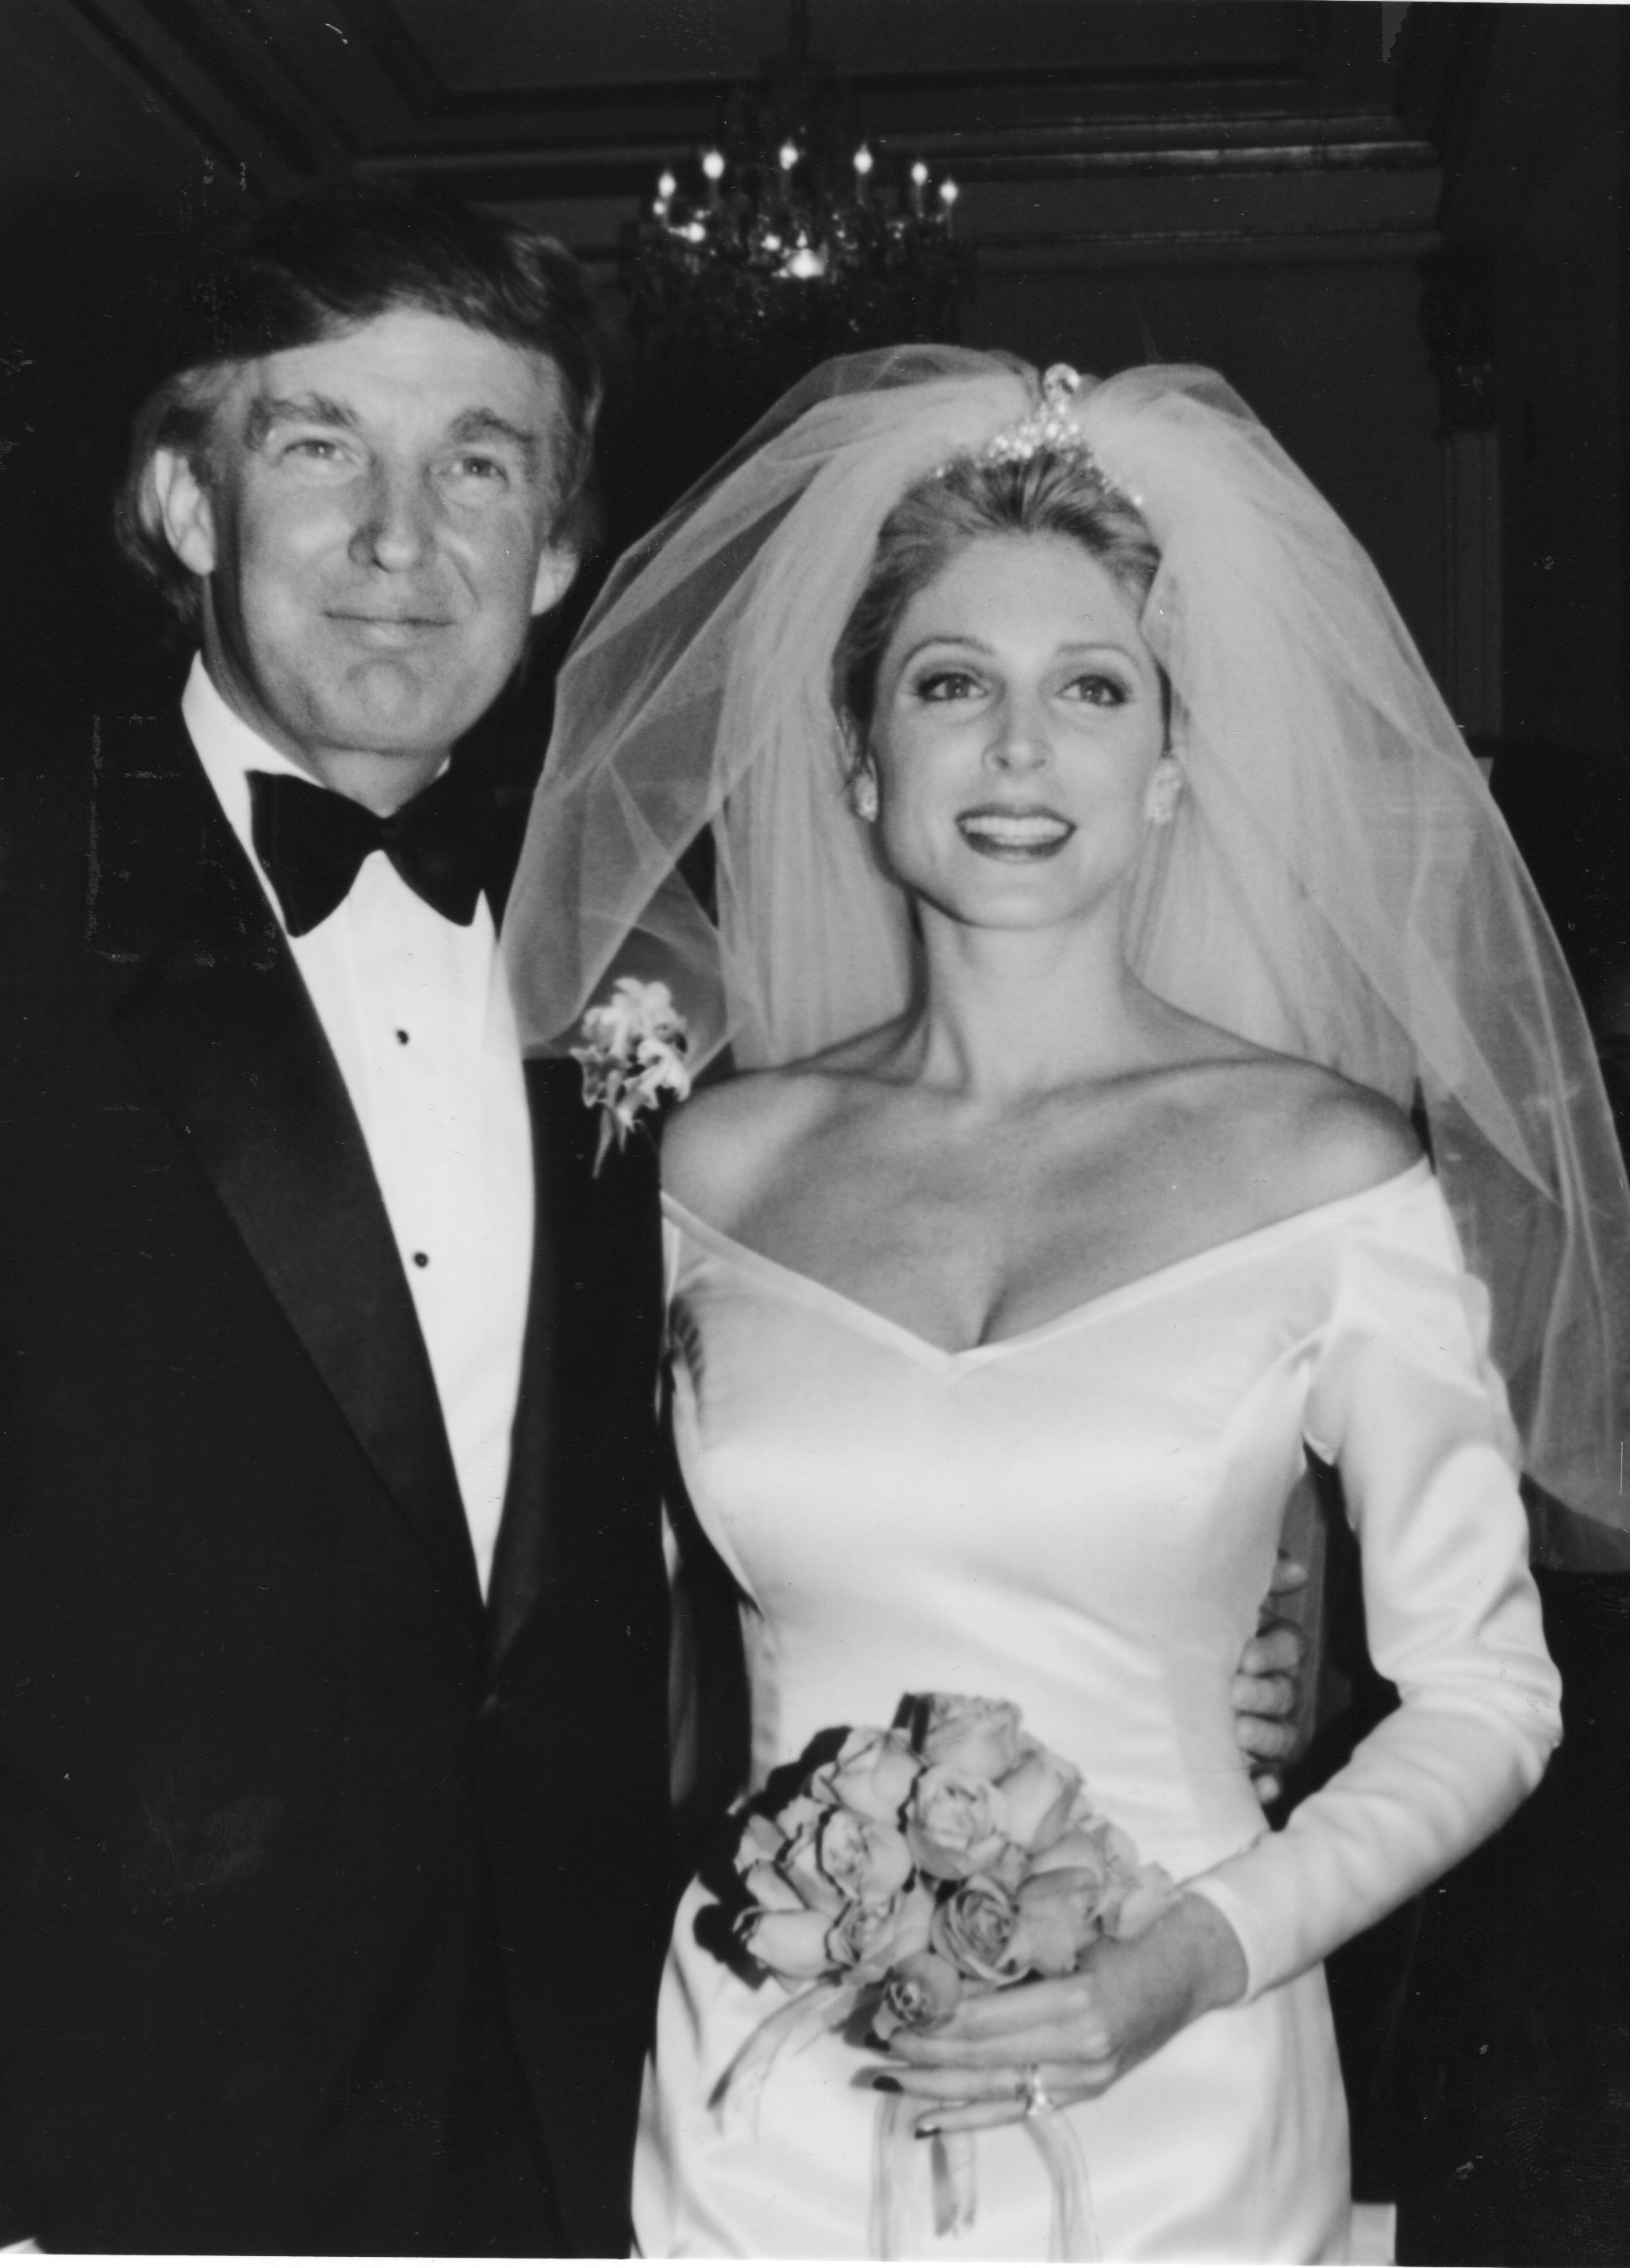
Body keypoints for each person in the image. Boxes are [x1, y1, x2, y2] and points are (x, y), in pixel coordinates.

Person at [504, 349, 1630, 2259]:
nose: (1018, 750)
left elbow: (1489, 1689)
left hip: (1172, 2093)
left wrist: (1196, 1956)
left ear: (1169, 766)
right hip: (758, 2109)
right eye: (952, 686)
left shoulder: (1324, 1167)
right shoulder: (706, 1172)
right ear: (862, 767)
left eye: (1088, 690)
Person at [0, 182, 674, 2253]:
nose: (405, 541)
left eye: (478, 463)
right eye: (323, 450)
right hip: (115, 2123)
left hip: (564, 2097)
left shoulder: (645, 956)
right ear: (190, 507)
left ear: (557, 549)